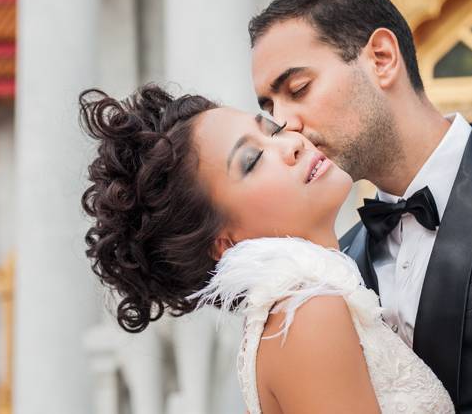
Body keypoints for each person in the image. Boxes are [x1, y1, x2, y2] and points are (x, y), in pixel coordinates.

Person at [248, 0, 472, 412]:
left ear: (382, 59)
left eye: (298, 90)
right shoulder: (339, 267)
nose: (284, 123)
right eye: (270, 108)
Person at [79, 85, 453, 413]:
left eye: (272, 130)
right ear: (225, 242)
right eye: (253, 160)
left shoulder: (286, 316)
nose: (291, 144)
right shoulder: (308, 313)